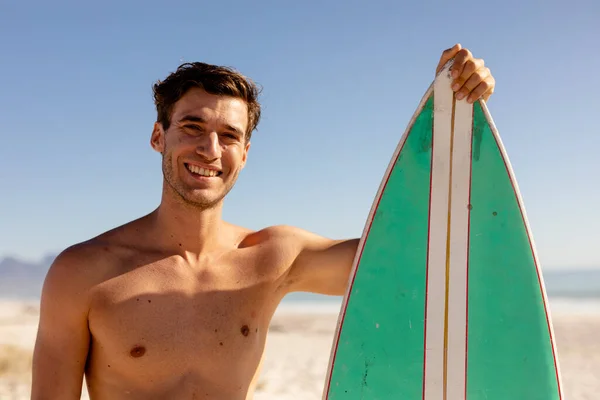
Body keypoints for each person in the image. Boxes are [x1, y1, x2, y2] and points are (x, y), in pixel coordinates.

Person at [31, 43, 495, 399]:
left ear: (245, 154)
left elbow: (413, 257)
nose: (210, 150)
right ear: (159, 136)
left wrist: (451, 114)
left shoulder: (273, 257)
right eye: (192, 127)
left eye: (228, 136)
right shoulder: (83, 273)